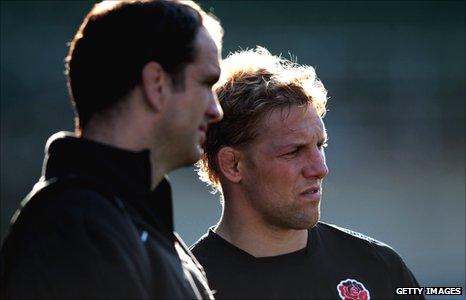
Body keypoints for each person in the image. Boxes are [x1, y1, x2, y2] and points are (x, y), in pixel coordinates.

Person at [1, 1, 223, 299]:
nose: (216, 110)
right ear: (156, 84)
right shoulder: (73, 227)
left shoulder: (134, 224)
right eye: (206, 83)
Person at [191, 47, 424, 299]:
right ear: (233, 164)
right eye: (293, 151)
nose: (320, 169)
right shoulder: (185, 286)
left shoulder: (379, 269)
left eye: (319, 146)